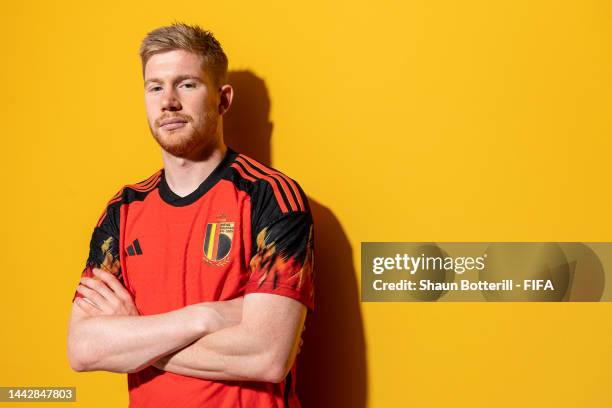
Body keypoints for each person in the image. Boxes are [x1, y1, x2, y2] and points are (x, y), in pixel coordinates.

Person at [66, 22, 314, 408]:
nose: (168, 101)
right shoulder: (122, 210)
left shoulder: (272, 197)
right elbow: (84, 348)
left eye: (186, 84)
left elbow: (267, 356)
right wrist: (206, 317)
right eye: (155, 86)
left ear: (223, 99)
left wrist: (133, 335)